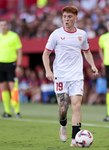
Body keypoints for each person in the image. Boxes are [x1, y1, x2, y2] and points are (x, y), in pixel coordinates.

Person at [42, 5, 98, 147]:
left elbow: (86, 51)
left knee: (77, 106)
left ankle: (74, 139)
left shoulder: (82, 35)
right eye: (64, 17)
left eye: (69, 17)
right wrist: (48, 70)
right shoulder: (56, 34)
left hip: (76, 76)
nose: (66, 19)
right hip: (60, 76)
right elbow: (46, 54)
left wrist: (92, 65)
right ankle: (63, 125)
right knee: (63, 108)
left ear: (76, 18)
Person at [0, 19, 22, 118]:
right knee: (4, 89)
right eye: (1, 25)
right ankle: (7, 111)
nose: (3, 27)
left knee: (13, 88)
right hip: (0, 64)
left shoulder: (14, 36)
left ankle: (17, 110)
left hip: (11, 64)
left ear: (8, 26)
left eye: (5, 25)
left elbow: (19, 51)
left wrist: (18, 65)